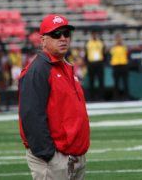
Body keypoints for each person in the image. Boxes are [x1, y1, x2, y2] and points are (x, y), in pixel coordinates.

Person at [18, 14, 90, 180]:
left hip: (74, 155)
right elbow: (31, 116)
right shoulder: (37, 70)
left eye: (66, 34)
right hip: (54, 158)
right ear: (43, 40)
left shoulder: (65, 66)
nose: (63, 38)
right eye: (56, 34)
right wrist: (49, 155)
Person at [85, 30, 105, 100]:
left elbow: (104, 52)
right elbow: (86, 53)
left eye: (95, 34)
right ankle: (92, 97)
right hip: (91, 63)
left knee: (101, 80)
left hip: (99, 63)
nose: (94, 36)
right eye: (93, 34)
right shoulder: (88, 43)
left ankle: (101, 97)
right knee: (91, 81)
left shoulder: (100, 42)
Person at [110, 33, 130, 99]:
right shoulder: (113, 48)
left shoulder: (124, 47)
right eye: (117, 38)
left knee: (125, 82)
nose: (118, 40)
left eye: (119, 38)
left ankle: (126, 96)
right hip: (116, 66)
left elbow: (128, 55)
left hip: (123, 65)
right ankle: (116, 97)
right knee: (116, 83)